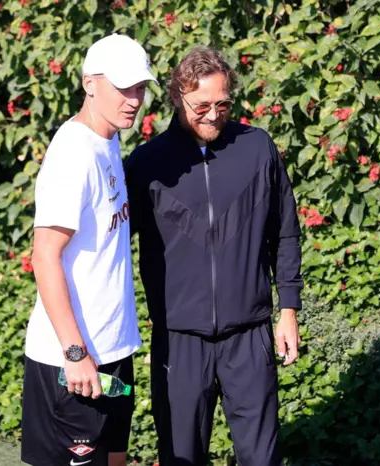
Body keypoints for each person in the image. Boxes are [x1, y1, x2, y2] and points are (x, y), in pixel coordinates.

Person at [124, 47, 303, 466]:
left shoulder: (257, 148)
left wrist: (289, 310)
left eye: (222, 104)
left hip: (250, 334)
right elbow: (111, 246)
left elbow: (285, 231)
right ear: (177, 98)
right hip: (178, 339)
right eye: (201, 105)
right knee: (180, 458)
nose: (213, 114)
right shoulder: (147, 163)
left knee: (262, 459)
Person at [20, 33, 158, 466]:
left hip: (112, 351)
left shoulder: (108, 141)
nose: (134, 100)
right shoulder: (73, 153)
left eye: (140, 87)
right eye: (123, 87)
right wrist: (75, 353)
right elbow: (44, 255)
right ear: (89, 83)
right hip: (73, 361)